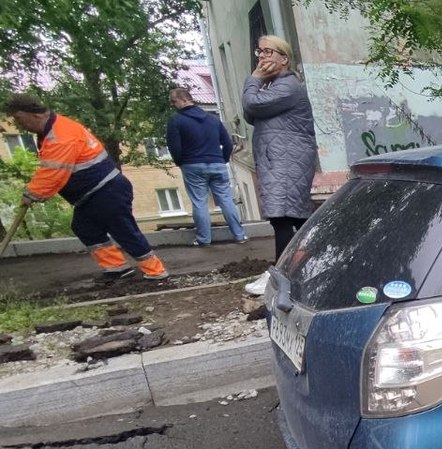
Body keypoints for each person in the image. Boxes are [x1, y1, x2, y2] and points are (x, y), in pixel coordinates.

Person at [5, 93, 168, 280]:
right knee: (85, 227)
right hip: (94, 193)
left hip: (106, 190)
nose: (19, 124)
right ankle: (117, 268)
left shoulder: (60, 136)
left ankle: (156, 271)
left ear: (34, 114)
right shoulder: (52, 130)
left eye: (19, 118)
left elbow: (53, 172)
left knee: (123, 230)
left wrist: (33, 193)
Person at [241, 34, 317, 296]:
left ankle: (278, 277)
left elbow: (251, 104)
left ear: (284, 58)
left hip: (287, 159)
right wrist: (258, 83)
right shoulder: (272, 87)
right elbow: (249, 113)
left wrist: (253, 78)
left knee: (284, 217)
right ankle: (309, 266)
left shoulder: (288, 87)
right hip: (279, 159)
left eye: (268, 52)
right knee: (293, 218)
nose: (262, 57)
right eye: (259, 52)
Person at [166, 87, 247, 247]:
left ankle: (204, 239)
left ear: (183, 100)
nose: (173, 105)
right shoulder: (213, 119)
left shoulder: (176, 120)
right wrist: (222, 160)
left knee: (199, 202)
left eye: (174, 101)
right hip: (217, 164)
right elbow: (228, 143)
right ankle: (240, 235)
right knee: (226, 199)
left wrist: (180, 162)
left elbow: (174, 147)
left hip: (192, 165)